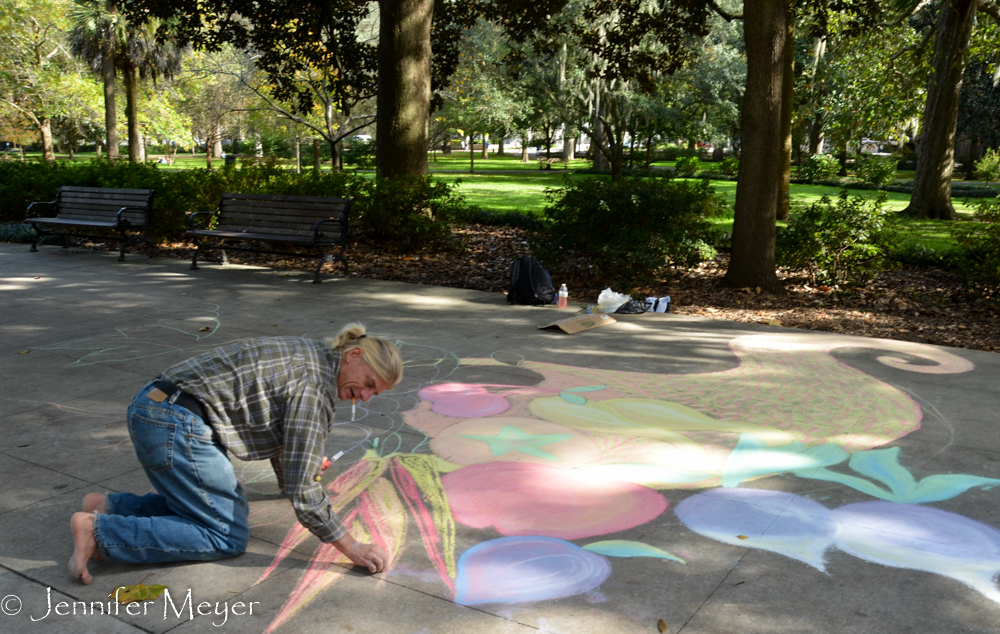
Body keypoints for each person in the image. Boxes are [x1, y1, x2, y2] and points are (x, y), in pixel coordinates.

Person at [69, 324, 403, 584]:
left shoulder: (313, 354)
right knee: (225, 534)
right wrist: (351, 546)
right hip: (174, 424)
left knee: (222, 507)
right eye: (370, 383)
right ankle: (101, 532)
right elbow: (303, 489)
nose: (367, 396)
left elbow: (286, 445)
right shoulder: (316, 388)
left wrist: (296, 471)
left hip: (157, 406)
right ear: (354, 355)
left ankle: (113, 507)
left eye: (376, 392)